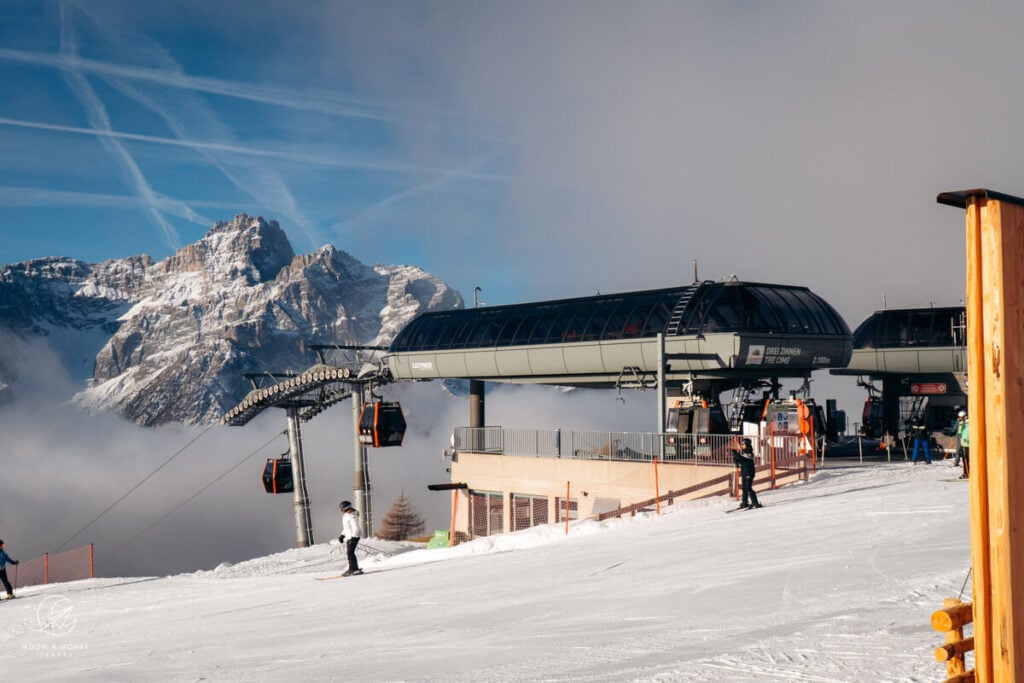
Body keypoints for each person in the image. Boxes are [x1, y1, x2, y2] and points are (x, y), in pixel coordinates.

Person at [732, 438, 761, 509]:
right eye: (741, 444)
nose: (742, 446)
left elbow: (743, 459)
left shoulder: (749, 453)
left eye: (743, 444)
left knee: (748, 488)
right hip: (744, 473)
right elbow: (740, 461)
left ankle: (755, 503)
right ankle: (745, 502)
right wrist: (735, 459)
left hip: (749, 473)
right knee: (744, 488)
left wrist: (736, 454)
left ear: (747, 445)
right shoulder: (744, 453)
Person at [337, 501, 363, 576]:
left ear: (345, 508)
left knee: (350, 553)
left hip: (353, 537)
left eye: (341, 509)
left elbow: (356, 527)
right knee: (350, 553)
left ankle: (353, 569)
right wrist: (342, 535)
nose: (340, 510)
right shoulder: (346, 515)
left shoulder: (352, 515)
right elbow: (346, 528)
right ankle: (354, 568)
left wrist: (354, 537)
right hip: (349, 537)